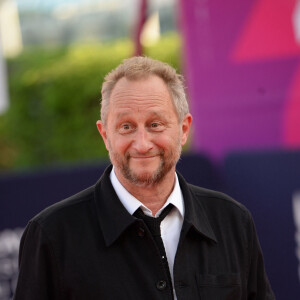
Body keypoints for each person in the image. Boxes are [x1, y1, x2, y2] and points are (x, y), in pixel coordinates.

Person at [13, 56, 275, 300]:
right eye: (126, 127)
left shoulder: (233, 221)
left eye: (155, 124)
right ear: (105, 135)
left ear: (183, 130)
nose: (142, 144)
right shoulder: (52, 235)